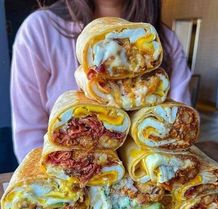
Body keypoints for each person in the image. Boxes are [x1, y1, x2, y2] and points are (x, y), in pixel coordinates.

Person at [11, 0, 192, 162]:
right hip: (72, 176)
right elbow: (30, 136)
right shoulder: (39, 30)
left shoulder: (165, 41)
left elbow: (181, 130)